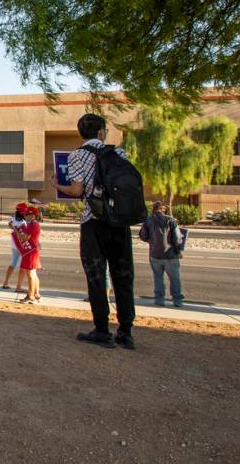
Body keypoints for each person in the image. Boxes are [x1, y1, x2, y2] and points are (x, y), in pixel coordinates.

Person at [54, 113, 136, 349]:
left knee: (97, 276)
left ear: (82, 133)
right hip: (119, 222)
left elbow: (77, 190)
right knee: (123, 276)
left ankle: (102, 329)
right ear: (101, 132)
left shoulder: (77, 156)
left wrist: (56, 184)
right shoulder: (119, 153)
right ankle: (126, 331)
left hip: (93, 221)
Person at [138, 201, 184, 307]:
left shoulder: (148, 220)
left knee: (158, 278)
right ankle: (177, 300)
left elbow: (143, 236)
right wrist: (179, 251)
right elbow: (177, 239)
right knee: (175, 278)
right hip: (170, 255)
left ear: (154, 209)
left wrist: (152, 240)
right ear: (164, 209)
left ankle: (159, 300)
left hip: (154, 254)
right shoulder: (171, 220)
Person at [16, 205, 42, 303]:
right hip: (33, 250)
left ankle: (30, 296)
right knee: (33, 274)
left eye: (28, 214)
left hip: (30, 252)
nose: (26, 216)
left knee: (30, 274)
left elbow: (24, 238)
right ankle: (36, 294)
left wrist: (16, 231)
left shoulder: (32, 225)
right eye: (25, 214)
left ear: (34, 215)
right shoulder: (33, 224)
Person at [1, 204, 27, 292]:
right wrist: (17, 232)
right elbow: (20, 232)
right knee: (23, 265)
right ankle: (18, 287)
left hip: (14, 244)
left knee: (13, 263)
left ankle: (5, 282)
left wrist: (14, 229)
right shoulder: (22, 221)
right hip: (20, 244)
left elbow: (9, 224)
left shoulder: (13, 217)